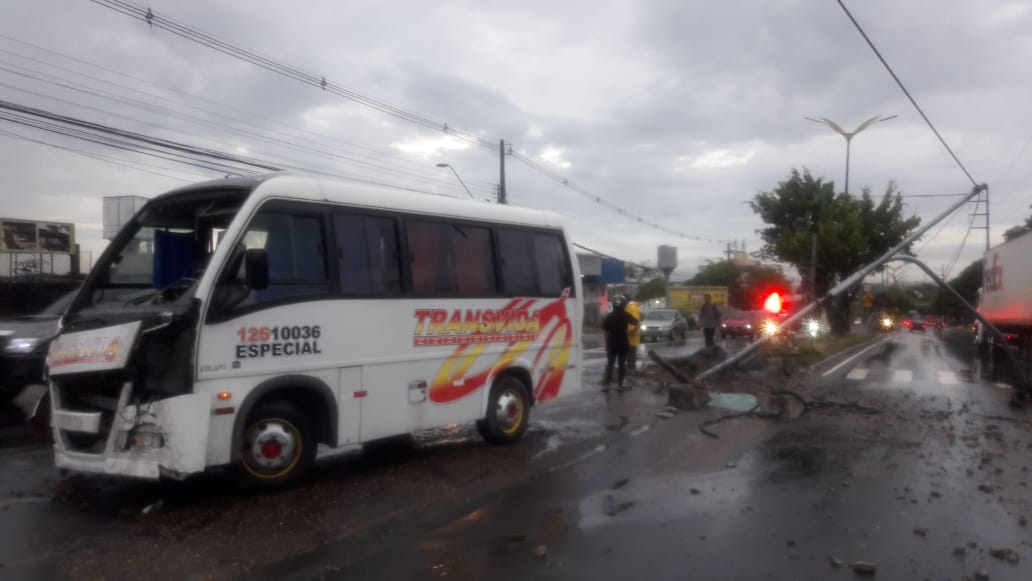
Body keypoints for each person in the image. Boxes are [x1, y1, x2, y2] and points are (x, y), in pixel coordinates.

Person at [602, 295, 638, 392]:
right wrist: (630, 332)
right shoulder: (626, 315)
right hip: (623, 342)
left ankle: (606, 385)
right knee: (622, 365)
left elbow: (606, 331)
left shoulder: (609, 316)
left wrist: (606, 344)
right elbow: (636, 322)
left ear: (613, 305)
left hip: (612, 343)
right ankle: (620, 385)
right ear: (623, 305)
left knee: (610, 364)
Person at [624, 294, 642, 373]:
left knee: (631, 351)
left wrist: (631, 331)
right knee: (629, 351)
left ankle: (632, 367)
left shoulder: (632, 307)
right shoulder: (628, 307)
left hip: (632, 334)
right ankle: (630, 366)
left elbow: (635, 321)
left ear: (626, 300)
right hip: (629, 334)